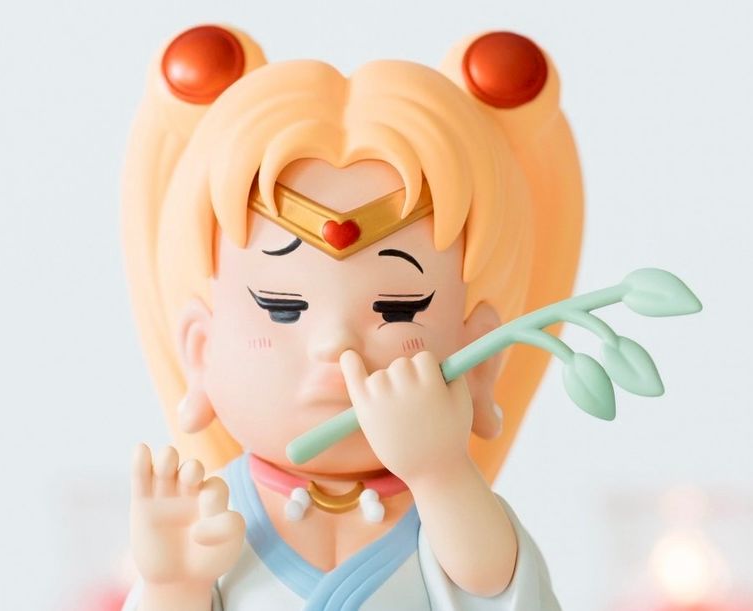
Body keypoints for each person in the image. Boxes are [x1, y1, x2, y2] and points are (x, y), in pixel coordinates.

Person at [120, 24, 582, 610]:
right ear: (199, 348)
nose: (337, 344)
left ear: (480, 358)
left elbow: (499, 594)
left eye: (398, 309)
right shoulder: (212, 524)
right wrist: (171, 585)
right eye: (281, 307)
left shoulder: (448, 524)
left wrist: (440, 472)